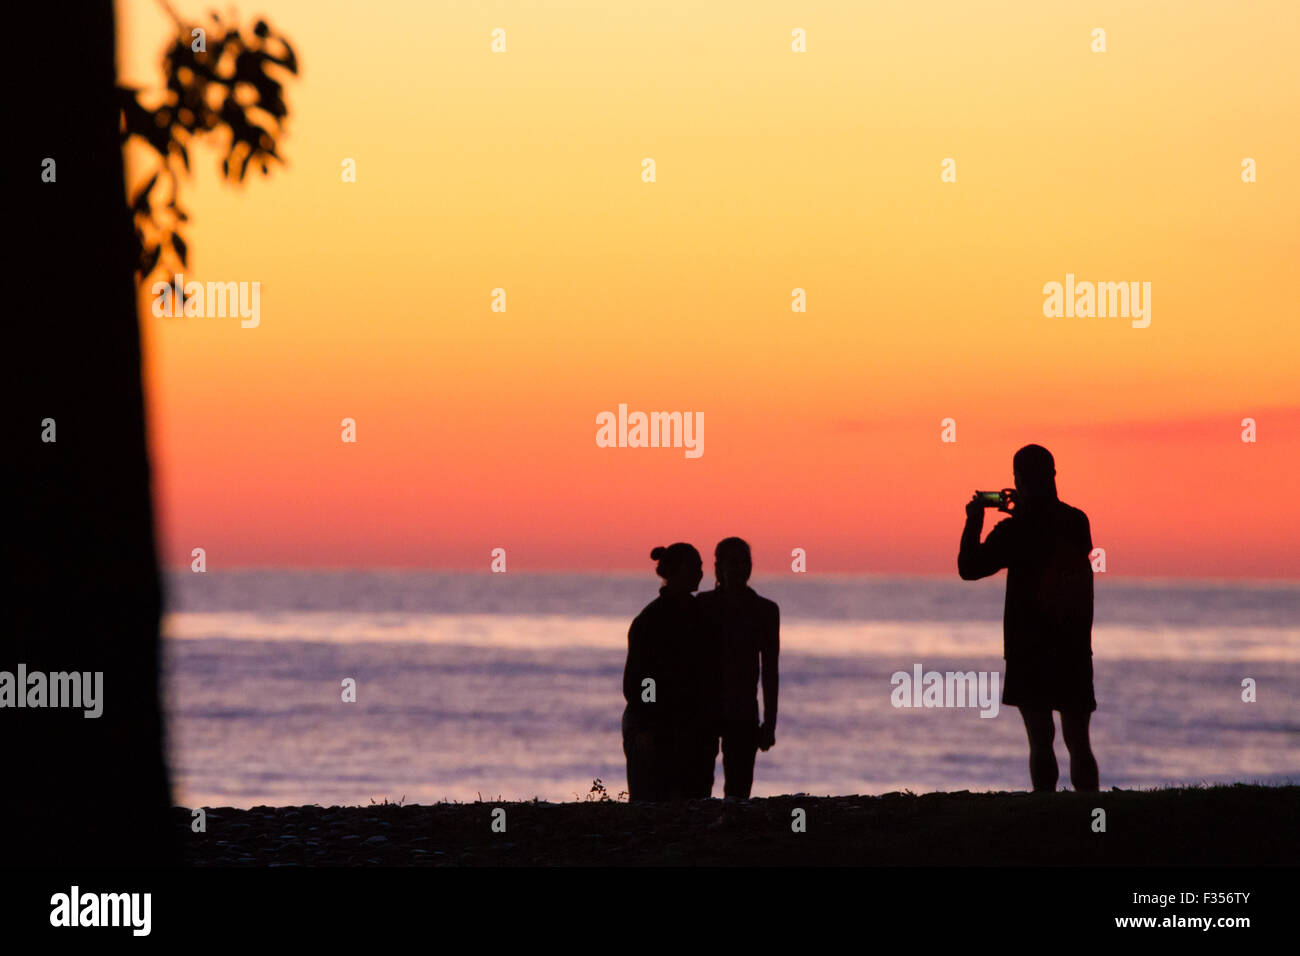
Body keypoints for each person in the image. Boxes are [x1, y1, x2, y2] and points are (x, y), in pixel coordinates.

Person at [958, 444, 1099, 792]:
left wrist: (975, 520)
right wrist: (1023, 509)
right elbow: (1058, 539)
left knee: (1040, 741)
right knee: (1078, 740)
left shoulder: (1013, 532)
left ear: (1018, 480)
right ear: (1052, 475)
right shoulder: (1077, 521)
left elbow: (969, 568)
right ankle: (1091, 812)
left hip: (1028, 648)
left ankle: (1046, 811)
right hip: (1072, 646)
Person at [622, 543, 714, 801]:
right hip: (657, 728)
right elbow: (639, 681)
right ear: (674, 572)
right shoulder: (651, 620)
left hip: (691, 729)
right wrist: (647, 726)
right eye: (694, 567)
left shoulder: (700, 615)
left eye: (701, 567)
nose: (700, 573)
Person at [696, 537, 780, 800]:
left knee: (738, 791)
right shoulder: (703, 605)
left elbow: (770, 670)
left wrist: (770, 723)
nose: (740, 568)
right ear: (719, 567)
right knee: (698, 788)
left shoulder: (765, 610)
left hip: (743, 710)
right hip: (705, 709)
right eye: (733, 562)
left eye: (745, 562)